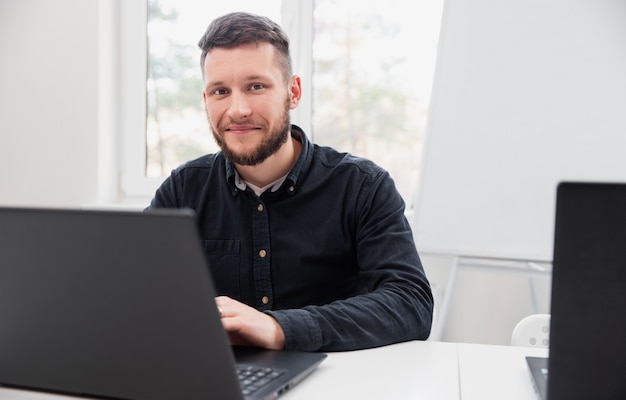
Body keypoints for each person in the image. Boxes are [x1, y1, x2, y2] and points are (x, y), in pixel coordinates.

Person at [146, 11, 433, 352]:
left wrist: (279, 328)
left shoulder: (363, 187)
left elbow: (410, 303)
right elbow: (133, 290)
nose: (237, 109)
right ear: (206, 101)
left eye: (256, 87)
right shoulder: (182, 191)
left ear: (293, 92)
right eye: (221, 91)